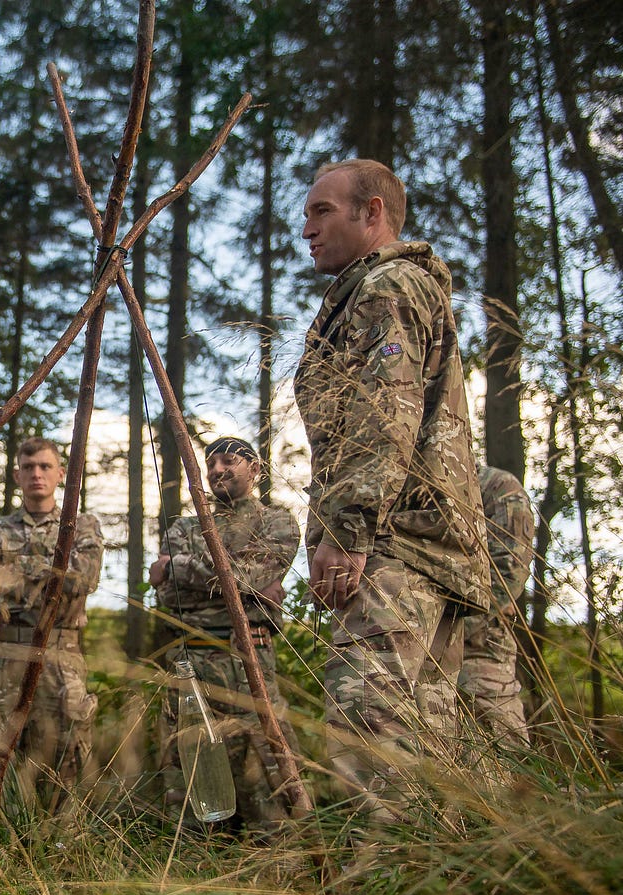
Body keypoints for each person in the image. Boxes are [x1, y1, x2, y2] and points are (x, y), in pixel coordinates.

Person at [295, 159, 489, 821]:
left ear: (371, 212)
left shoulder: (388, 288)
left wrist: (346, 531)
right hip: (432, 553)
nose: (306, 229)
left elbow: (386, 413)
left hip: (396, 552)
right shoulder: (398, 288)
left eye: (322, 211)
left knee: (369, 740)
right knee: (428, 757)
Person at [148, 436, 301, 832]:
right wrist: (239, 581)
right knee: (191, 763)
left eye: (229, 460)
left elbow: (245, 576)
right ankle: (196, 865)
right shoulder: (184, 525)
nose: (217, 470)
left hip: (248, 657)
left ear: (256, 469)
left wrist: (177, 565)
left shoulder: (277, 521)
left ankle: (275, 863)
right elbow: (169, 596)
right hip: (190, 662)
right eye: (210, 463)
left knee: (266, 765)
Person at [0, 437, 103, 814]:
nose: (36, 474)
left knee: (67, 746)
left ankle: (61, 841)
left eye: (44, 466)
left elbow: (84, 579)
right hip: (3, 652)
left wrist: (15, 573)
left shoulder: (81, 525)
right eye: (28, 467)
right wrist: (49, 574)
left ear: (61, 474)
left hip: (61, 652)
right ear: (16, 475)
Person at [459, 464, 533, 746]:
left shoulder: (496, 485)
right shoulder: (408, 483)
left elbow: (511, 572)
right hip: (420, 649)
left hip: (480, 648)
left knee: (501, 746)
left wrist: (453, 624)